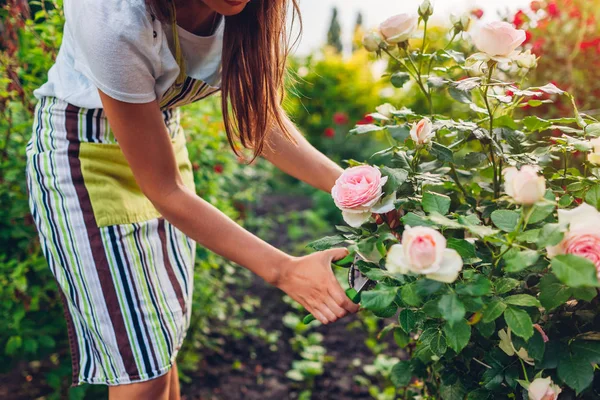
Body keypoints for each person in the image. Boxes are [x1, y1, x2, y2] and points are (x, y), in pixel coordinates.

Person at [26, 0, 359, 398]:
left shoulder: (257, 9)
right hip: (84, 158)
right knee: (140, 371)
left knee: (160, 347)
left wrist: (357, 192)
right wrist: (284, 270)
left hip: (161, 144)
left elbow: (260, 124)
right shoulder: (112, 14)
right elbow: (165, 190)